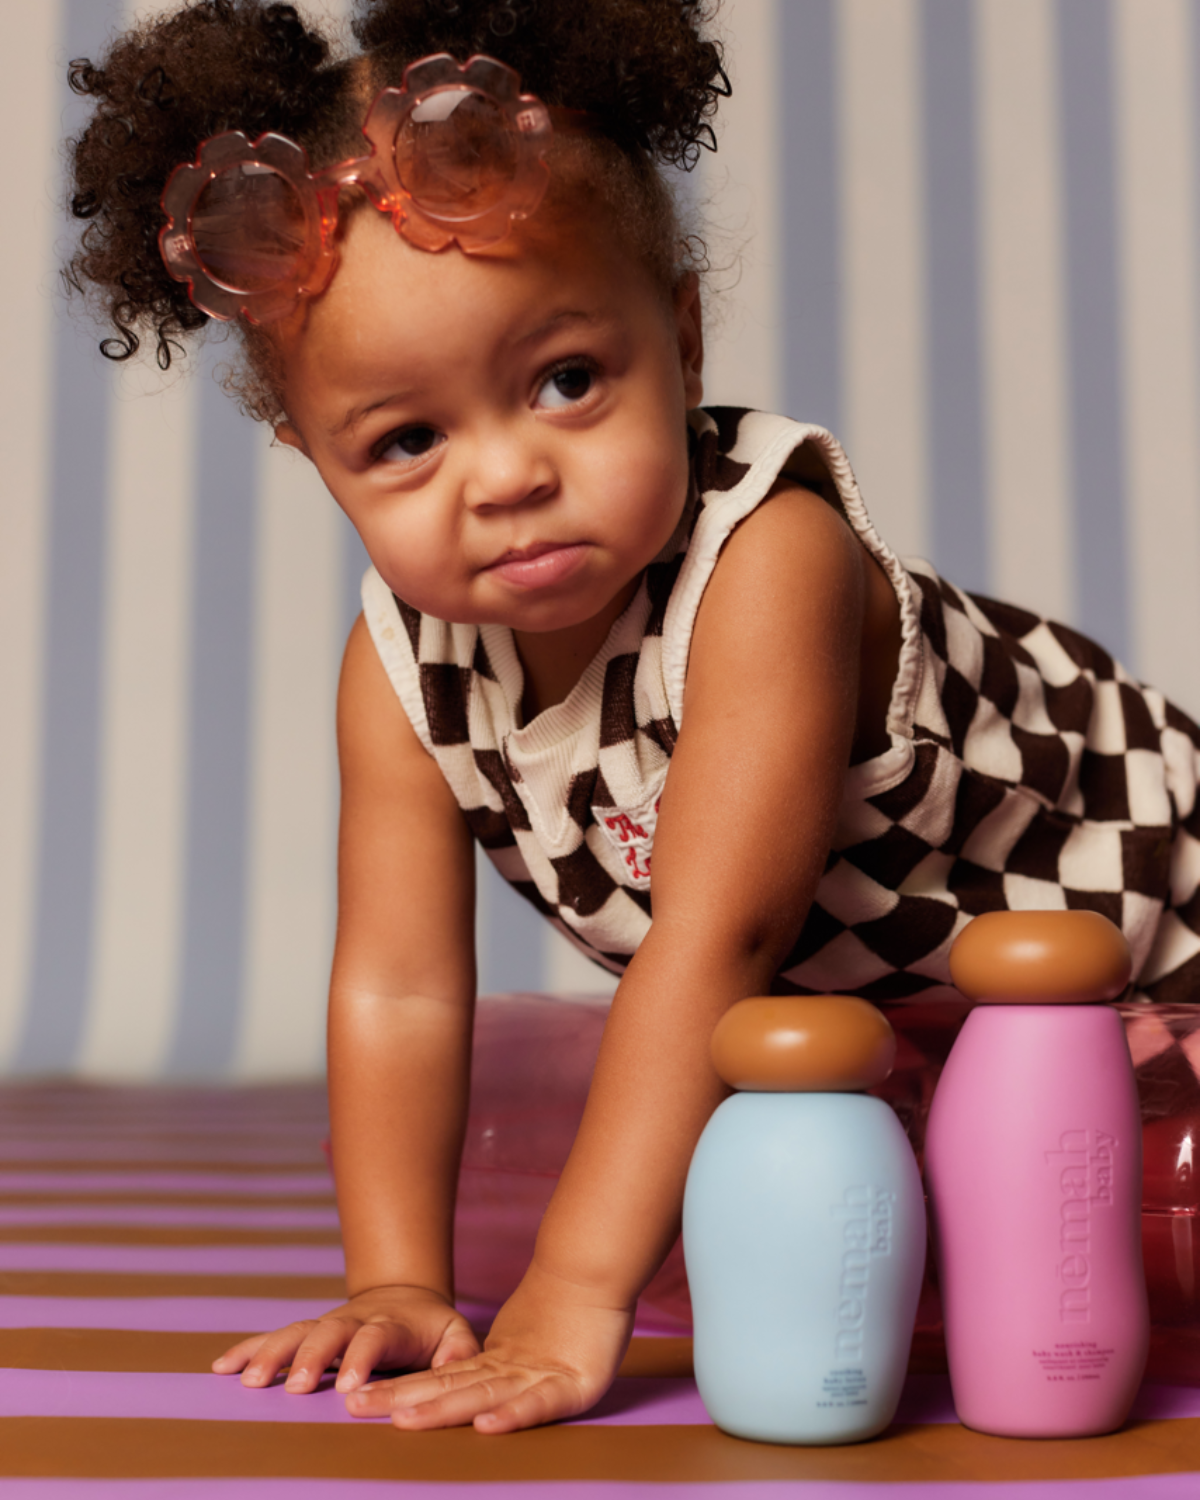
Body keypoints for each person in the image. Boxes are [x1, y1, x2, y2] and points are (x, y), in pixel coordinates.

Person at [65, 0, 1200, 1435]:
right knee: (611, 1111)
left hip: (1155, 941)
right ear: (314, 458)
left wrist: (575, 1287)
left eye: (567, 382)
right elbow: (403, 986)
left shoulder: (765, 559)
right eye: (408, 441)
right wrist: (397, 1276)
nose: (508, 476)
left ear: (680, 333)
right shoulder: (398, 665)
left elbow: (720, 932)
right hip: (897, 1023)